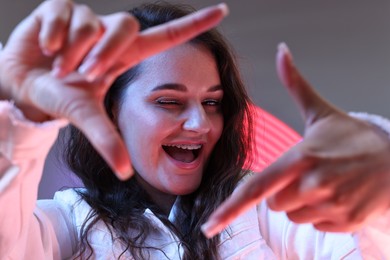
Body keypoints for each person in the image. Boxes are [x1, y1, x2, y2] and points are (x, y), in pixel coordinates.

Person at [0, 1, 390, 259]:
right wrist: (19, 113)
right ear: (112, 111)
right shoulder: (65, 224)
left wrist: (382, 181)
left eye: (212, 103)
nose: (200, 124)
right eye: (169, 102)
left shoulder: (272, 212)